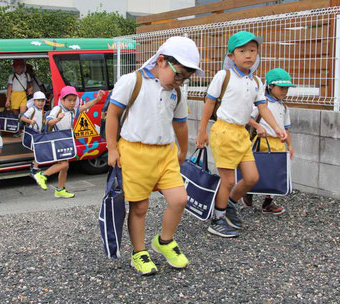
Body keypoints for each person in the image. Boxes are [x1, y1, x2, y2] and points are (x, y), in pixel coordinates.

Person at [106, 37, 204, 276]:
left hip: (166, 153)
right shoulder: (132, 81)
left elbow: (180, 124)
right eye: (179, 75)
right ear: (161, 61)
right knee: (139, 207)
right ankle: (138, 252)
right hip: (134, 152)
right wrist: (112, 148)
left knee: (179, 199)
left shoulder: (177, 93)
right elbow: (113, 114)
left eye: (185, 78)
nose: (180, 82)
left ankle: (164, 241)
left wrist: (182, 150)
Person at [196, 31, 287, 238]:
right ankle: (217, 220)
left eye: (253, 51)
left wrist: (278, 128)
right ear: (231, 56)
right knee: (227, 181)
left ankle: (227, 204)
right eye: (242, 50)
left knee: (252, 177)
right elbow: (210, 103)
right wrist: (202, 131)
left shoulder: (256, 81)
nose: (248, 55)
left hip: (242, 134)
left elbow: (263, 108)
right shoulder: (223, 76)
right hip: (224, 131)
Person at [34, 86, 104, 198]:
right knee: (64, 164)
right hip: (58, 140)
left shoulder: (73, 111)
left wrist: (97, 99)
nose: (72, 103)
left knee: (65, 167)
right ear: (62, 100)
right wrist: (58, 119)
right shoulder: (58, 109)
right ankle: (42, 175)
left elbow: (86, 106)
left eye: (74, 100)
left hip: (66, 140)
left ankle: (60, 189)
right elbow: (49, 122)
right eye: (69, 100)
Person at [243, 68, 295, 214]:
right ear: (270, 86)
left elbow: (286, 128)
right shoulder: (261, 103)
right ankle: (248, 192)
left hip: (278, 143)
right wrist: (258, 126)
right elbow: (248, 118)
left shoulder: (284, 107)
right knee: (257, 169)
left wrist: (290, 145)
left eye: (287, 88)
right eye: (281, 88)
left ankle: (268, 202)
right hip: (261, 142)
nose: (285, 91)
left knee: (276, 173)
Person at [20, 91, 47, 179]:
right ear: (34, 101)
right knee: (38, 151)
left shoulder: (40, 110)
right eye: (38, 101)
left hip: (37, 133)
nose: (40, 103)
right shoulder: (32, 109)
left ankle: (33, 164)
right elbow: (22, 118)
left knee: (38, 151)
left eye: (42, 101)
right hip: (32, 133)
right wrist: (30, 121)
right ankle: (34, 169)